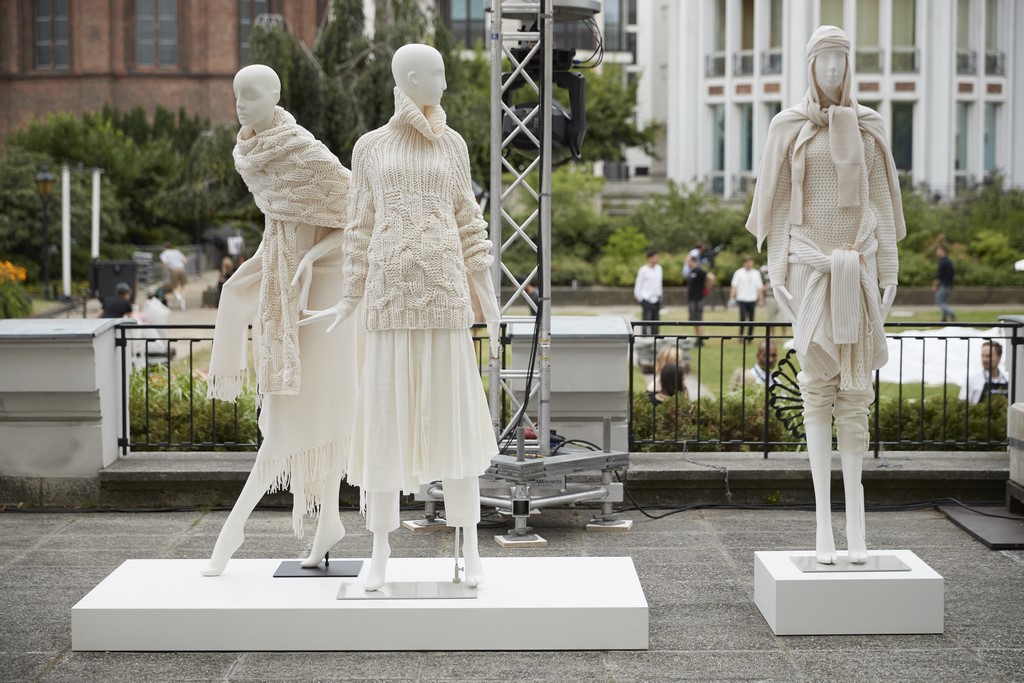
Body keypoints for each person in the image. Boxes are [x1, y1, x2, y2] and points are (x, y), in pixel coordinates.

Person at [302, 44, 500, 592]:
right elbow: (359, 227)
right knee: (385, 425)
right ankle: (381, 549)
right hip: (389, 302)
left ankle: (471, 545)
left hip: (444, 300)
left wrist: (488, 299)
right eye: (437, 73)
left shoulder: (453, 145)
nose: (445, 82)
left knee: (454, 422)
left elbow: (469, 222)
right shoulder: (370, 148)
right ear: (411, 78)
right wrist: (349, 297)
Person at [746, 26, 905, 565]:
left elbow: (879, 206)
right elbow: (779, 208)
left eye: (841, 59)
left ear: (850, 66)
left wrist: (889, 271)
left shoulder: (868, 126)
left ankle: (856, 521)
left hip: (860, 264)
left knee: (856, 392)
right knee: (816, 386)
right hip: (808, 267)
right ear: (810, 66)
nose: (834, 70)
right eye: (825, 60)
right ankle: (821, 524)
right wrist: (777, 272)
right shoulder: (788, 126)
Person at [201, 64, 364, 577]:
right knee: (301, 414)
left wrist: (315, 256)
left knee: (301, 417)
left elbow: (362, 214)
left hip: (323, 298)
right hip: (288, 288)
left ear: (274, 95)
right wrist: (258, 273)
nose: (241, 105)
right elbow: (280, 233)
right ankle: (328, 522)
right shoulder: (254, 155)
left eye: (251, 95)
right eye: (236, 96)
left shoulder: (305, 154)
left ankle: (232, 532)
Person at [960, 340, 1009, 405]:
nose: (984, 359)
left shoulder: (1007, 380)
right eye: (983, 356)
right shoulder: (972, 381)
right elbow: (962, 406)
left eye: (988, 356)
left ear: (999, 357)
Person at [730, 256, 765, 339]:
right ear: (744, 263)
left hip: (752, 299)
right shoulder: (738, 273)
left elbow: (759, 287)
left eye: (751, 262)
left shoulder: (756, 273)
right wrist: (732, 298)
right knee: (742, 318)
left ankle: (750, 337)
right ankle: (741, 335)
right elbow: (734, 286)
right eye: (748, 262)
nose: (749, 264)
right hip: (742, 299)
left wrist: (761, 299)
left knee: (751, 319)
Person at [686, 254, 714, 346]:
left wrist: (707, 289)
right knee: (694, 320)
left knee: (698, 320)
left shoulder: (699, 271)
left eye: (688, 261)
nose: (687, 263)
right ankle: (698, 338)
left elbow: (711, 277)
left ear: (693, 261)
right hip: (692, 299)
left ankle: (701, 339)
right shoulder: (691, 271)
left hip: (698, 299)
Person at [633, 250, 663, 335]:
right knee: (646, 319)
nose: (656, 259)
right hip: (646, 298)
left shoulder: (659, 269)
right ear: (649, 258)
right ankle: (644, 336)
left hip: (656, 298)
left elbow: (659, 284)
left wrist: (660, 296)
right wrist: (640, 298)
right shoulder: (643, 270)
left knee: (656, 321)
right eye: (654, 257)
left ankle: (655, 336)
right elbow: (638, 284)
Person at [159, 242, 188, 310]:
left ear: (164, 247)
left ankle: (179, 297)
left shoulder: (164, 254)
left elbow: (165, 262)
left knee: (174, 286)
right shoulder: (177, 252)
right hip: (182, 269)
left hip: (174, 270)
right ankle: (183, 303)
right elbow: (185, 260)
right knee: (183, 287)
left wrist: (165, 271)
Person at [933, 245, 955, 322]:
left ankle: (951, 313)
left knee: (938, 300)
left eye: (938, 251)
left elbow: (939, 275)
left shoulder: (942, 262)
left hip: (944, 285)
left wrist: (935, 284)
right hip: (949, 285)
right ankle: (944, 319)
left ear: (942, 252)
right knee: (944, 302)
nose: (937, 253)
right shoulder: (949, 261)